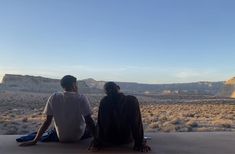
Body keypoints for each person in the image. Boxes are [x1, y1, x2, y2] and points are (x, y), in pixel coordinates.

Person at [19, 75, 97, 146]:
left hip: (61, 137)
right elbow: (88, 120)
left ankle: (38, 136)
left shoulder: (54, 97)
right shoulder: (82, 98)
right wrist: (96, 139)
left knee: (51, 131)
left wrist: (35, 140)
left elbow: (47, 121)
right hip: (78, 137)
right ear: (74, 85)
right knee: (95, 126)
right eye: (76, 84)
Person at [90, 82, 151, 152]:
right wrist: (140, 143)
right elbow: (136, 123)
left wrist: (97, 142)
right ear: (118, 88)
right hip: (126, 139)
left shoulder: (104, 101)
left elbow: (101, 124)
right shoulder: (131, 100)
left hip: (108, 140)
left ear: (106, 92)